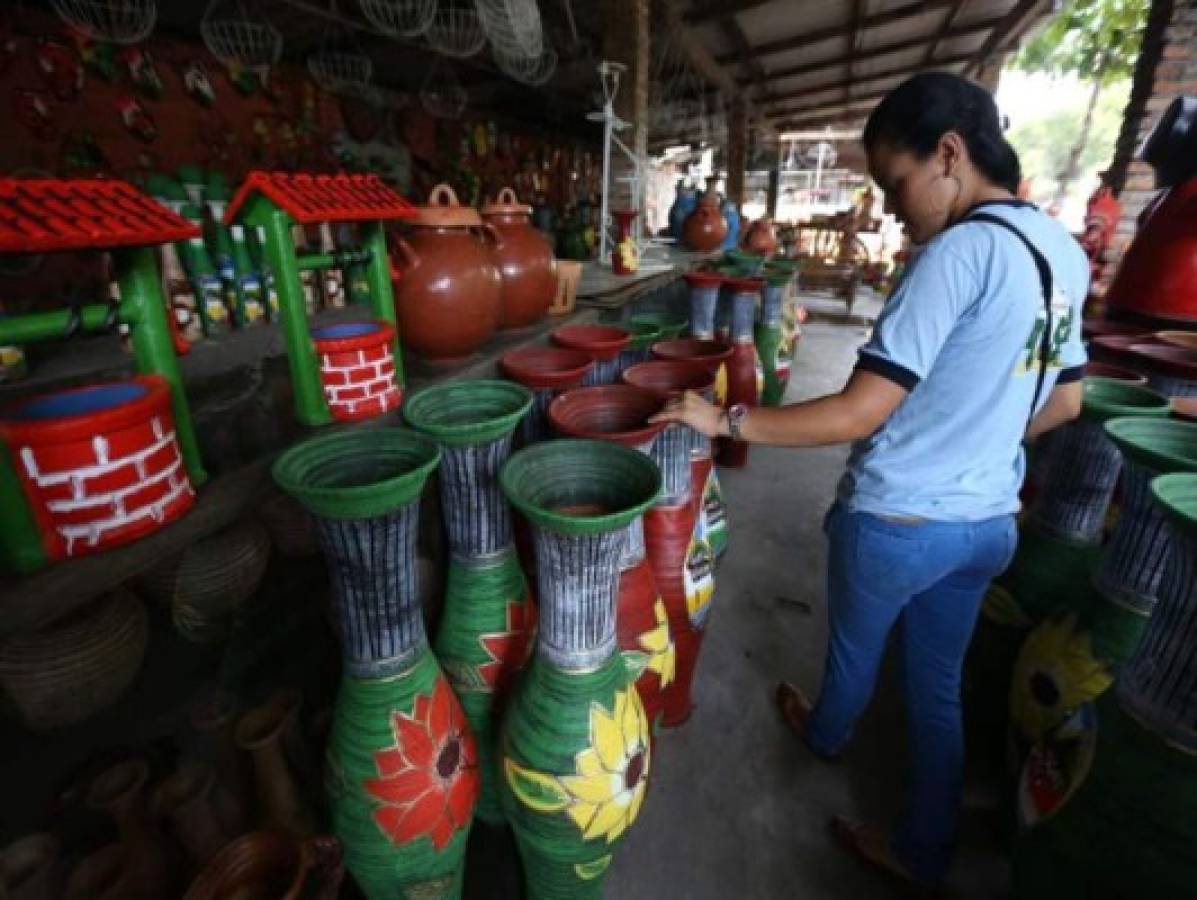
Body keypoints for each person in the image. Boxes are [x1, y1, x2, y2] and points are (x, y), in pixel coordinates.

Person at [652, 72, 1089, 895]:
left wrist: (728, 423)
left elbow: (857, 412)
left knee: (854, 652)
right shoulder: (1061, 251)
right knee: (934, 689)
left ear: (948, 155)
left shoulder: (955, 255)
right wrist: (977, 430)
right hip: (987, 521)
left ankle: (824, 738)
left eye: (895, 185)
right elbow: (1065, 401)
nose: (890, 210)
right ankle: (921, 854)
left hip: (897, 520)